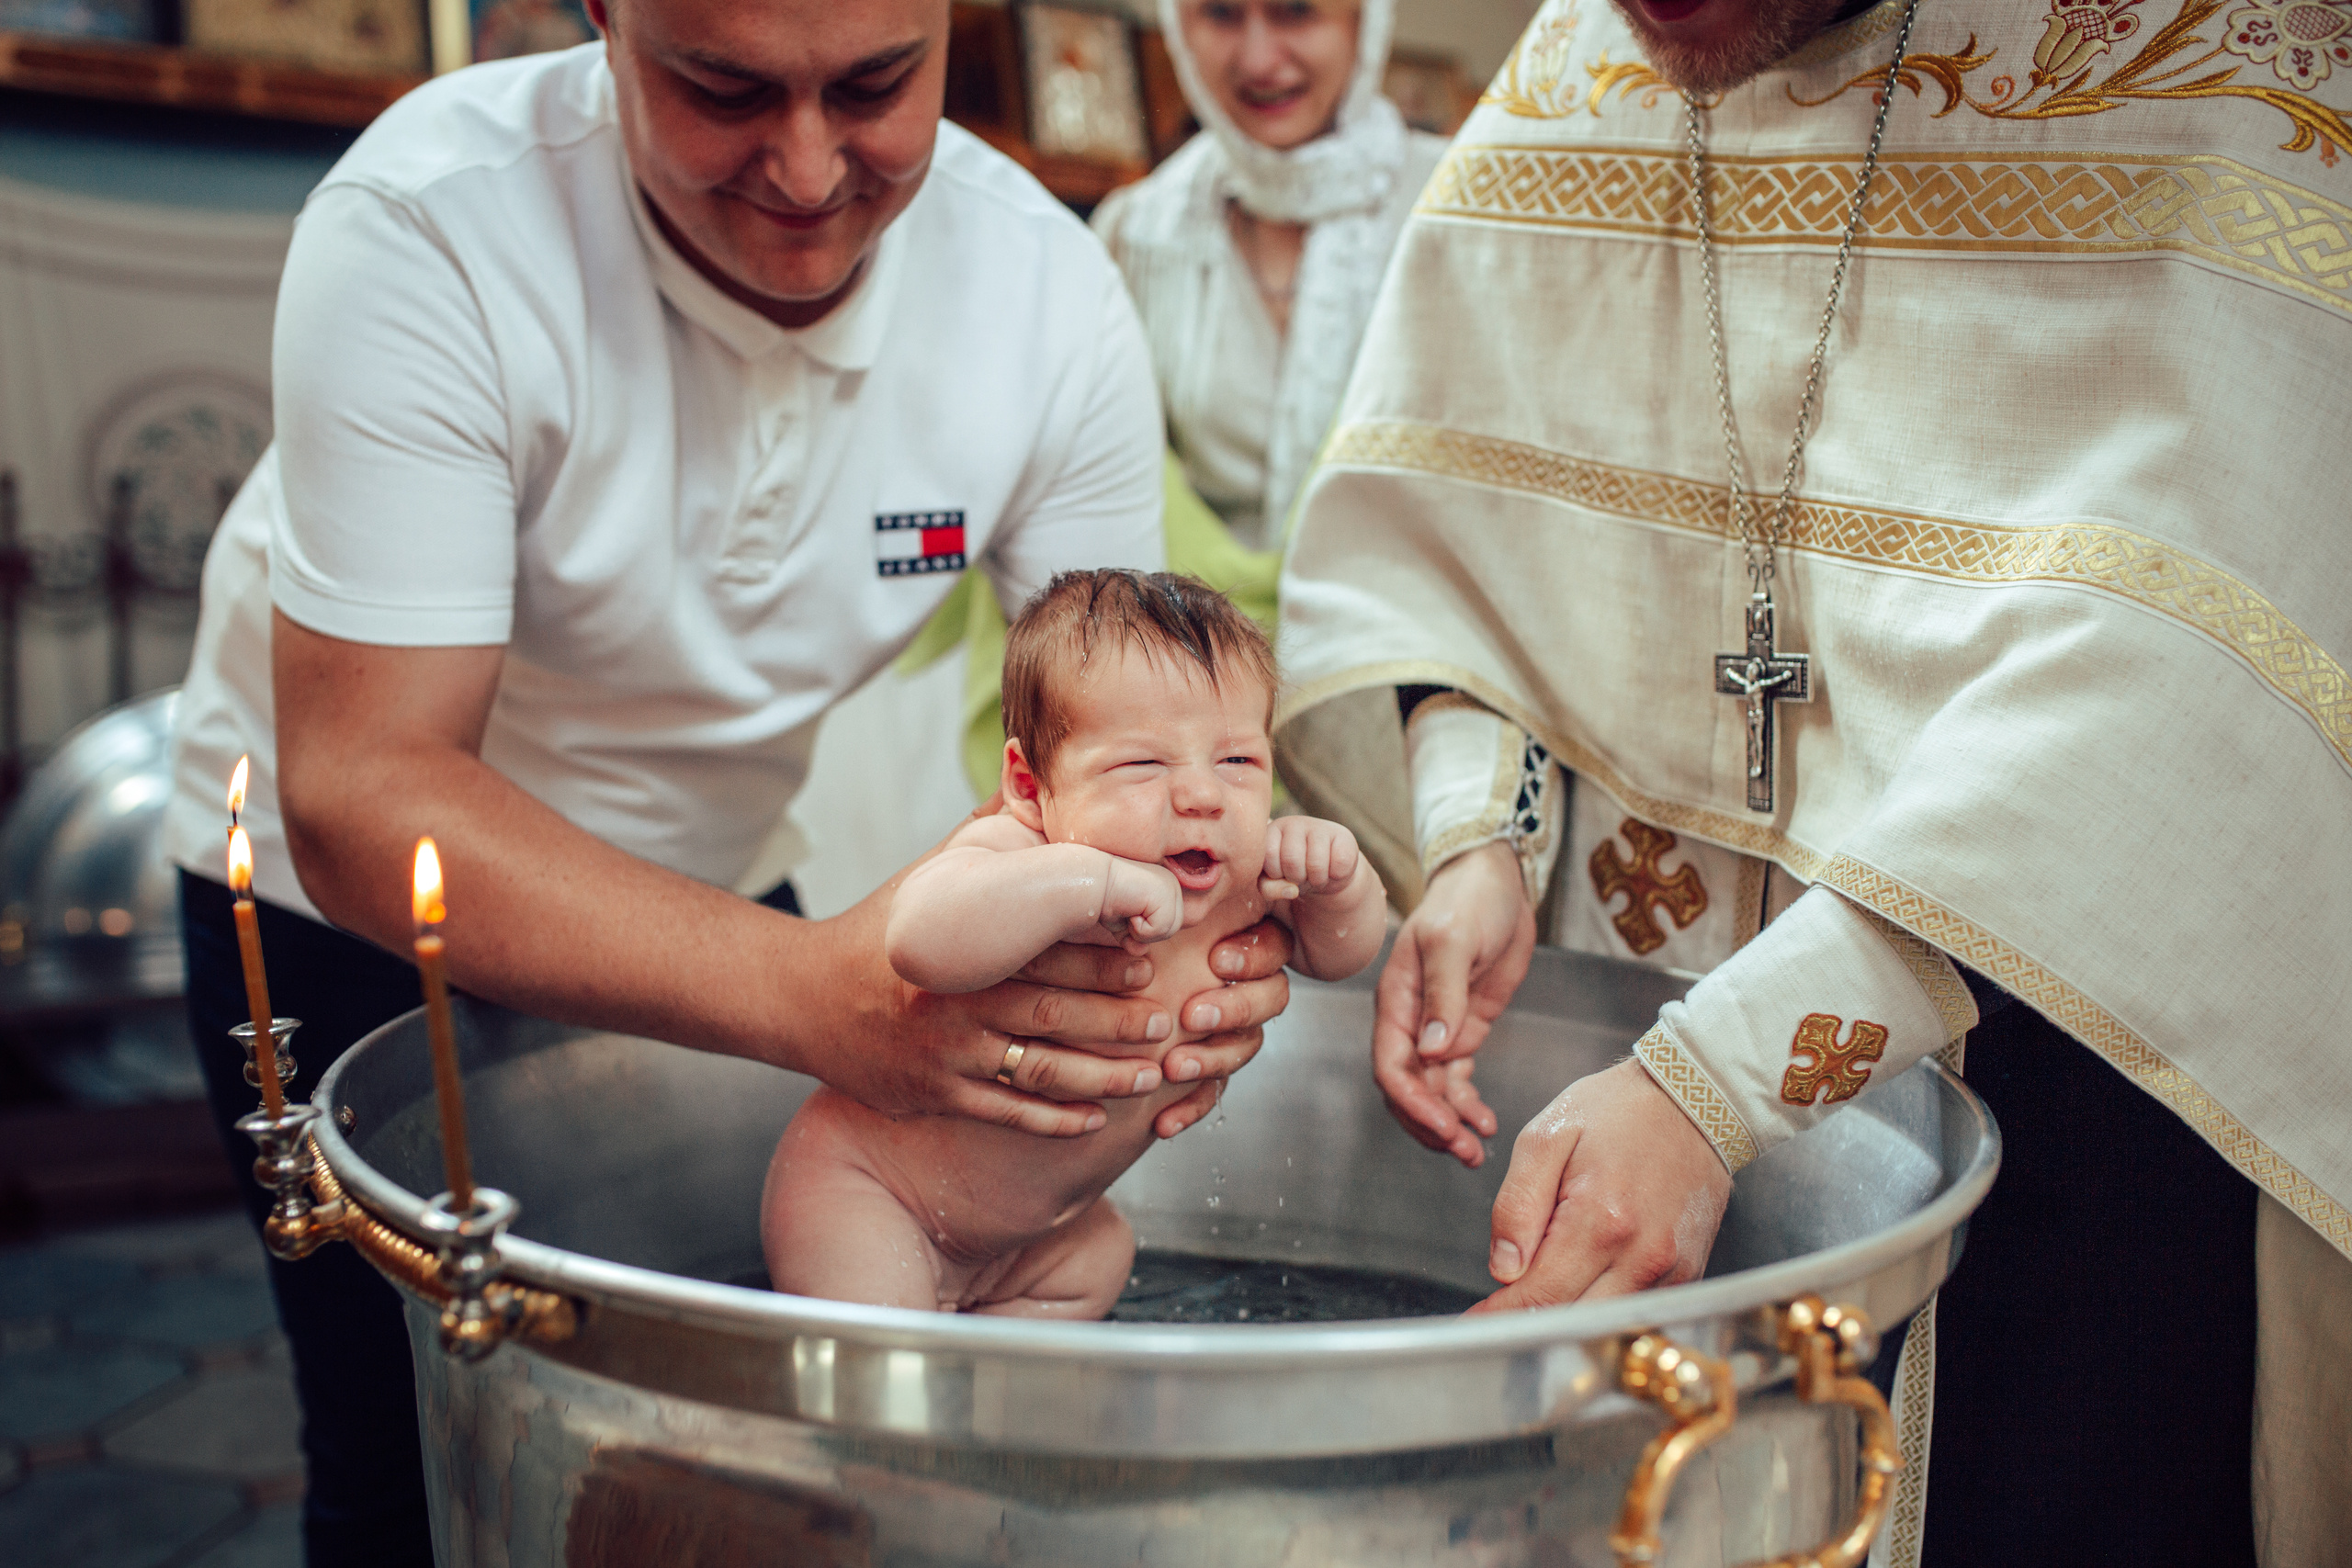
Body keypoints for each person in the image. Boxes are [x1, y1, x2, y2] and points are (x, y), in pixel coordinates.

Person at [162, 3, 1297, 1562]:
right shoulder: (429, 225)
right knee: (406, 1453)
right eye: (724, 88)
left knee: (749, 1450)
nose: (811, 170)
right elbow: (367, 785)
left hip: (719, 876)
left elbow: (1122, 728)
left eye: (877, 85)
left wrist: (1196, 952)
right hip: (352, 906)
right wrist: (819, 989)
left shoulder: (1040, 295)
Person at [1272, 0, 2352, 1562]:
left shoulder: (2228, 67)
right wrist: (1483, 831)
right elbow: (1463, 556)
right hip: (1623, 998)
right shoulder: (1583, 69)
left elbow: (2181, 689)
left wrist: (1714, 1082)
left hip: (2065, 1082)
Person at [765, 570, 1383, 1314]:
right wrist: (1085, 884)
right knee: (885, 1362)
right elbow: (916, 936)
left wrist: (1340, 882)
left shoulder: (1247, 880)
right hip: (872, 1195)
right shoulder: (1018, 850)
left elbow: (1340, 956)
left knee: (1102, 1254)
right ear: (1030, 787)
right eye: (1142, 763)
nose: (1203, 794)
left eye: (1237, 761)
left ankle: (989, 1379)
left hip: (1032, 1242)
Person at [1091, 0, 1444, 555]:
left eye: (1295, 11)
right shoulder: (1135, 234)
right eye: (1221, 14)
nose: (1258, 61)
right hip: (1193, 606)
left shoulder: (1463, 212)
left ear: (1364, 20)